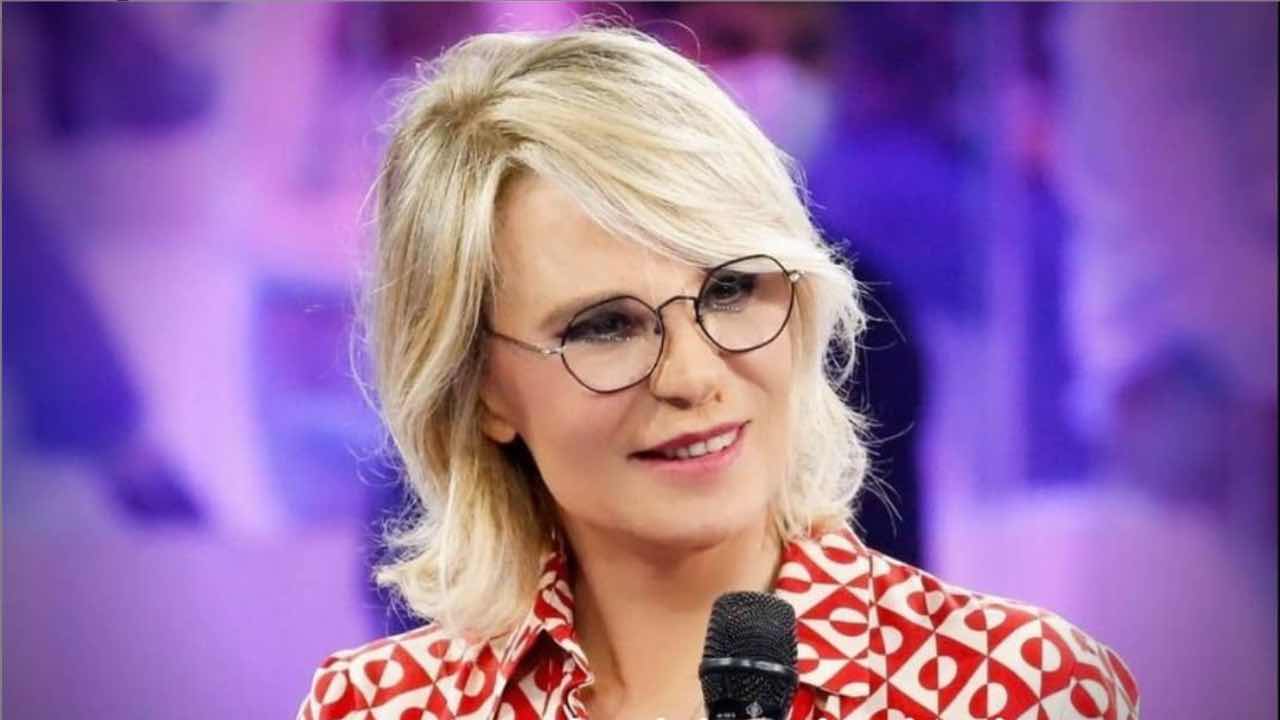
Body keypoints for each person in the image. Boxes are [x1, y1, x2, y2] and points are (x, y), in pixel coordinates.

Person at [297, 26, 1138, 720]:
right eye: (605, 326)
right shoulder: (379, 706)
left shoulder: (1026, 691)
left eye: (731, 289)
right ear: (482, 388)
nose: (694, 377)